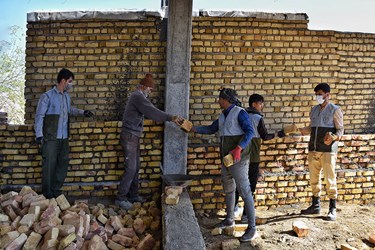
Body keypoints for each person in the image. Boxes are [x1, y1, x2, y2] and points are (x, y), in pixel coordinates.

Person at [190, 88, 258, 242]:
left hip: (238, 159)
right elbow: (210, 129)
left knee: (245, 190)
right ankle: (229, 219)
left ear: (226, 100)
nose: (218, 101)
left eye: (220, 99)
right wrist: (193, 128)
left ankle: (252, 227)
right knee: (229, 190)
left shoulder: (240, 113)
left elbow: (249, 132)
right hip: (226, 159)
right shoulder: (222, 116)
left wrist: (239, 148)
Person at [116, 73, 184, 210]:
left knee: (136, 167)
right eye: (150, 89)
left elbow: (150, 110)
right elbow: (151, 111)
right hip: (129, 135)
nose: (151, 92)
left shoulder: (139, 97)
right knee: (131, 168)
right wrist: (171, 117)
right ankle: (120, 198)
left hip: (133, 135)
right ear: (144, 87)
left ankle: (133, 195)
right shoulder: (137, 96)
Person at [34, 68, 94, 199]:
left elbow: (69, 110)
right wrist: (39, 135)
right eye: (70, 81)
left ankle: (56, 190)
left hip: (64, 137)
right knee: (49, 165)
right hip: (50, 138)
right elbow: (39, 117)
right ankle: (47, 194)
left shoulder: (67, 97)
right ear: (63, 81)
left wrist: (82, 112)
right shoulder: (47, 96)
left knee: (63, 163)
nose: (71, 84)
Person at [234, 94, 285, 223]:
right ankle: (246, 215)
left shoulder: (240, 115)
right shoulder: (257, 118)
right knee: (250, 186)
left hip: (238, 154)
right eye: (261, 103)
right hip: (253, 156)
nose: (262, 106)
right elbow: (265, 136)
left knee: (237, 184)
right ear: (254, 104)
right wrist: (280, 134)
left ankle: (233, 210)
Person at [300, 83, 344, 221]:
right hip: (313, 149)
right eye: (316, 94)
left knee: (330, 178)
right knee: (314, 178)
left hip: (327, 151)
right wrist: (300, 129)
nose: (318, 97)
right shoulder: (313, 110)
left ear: (327, 95)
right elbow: (312, 128)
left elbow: (340, 130)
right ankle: (315, 205)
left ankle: (332, 208)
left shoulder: (335, 110)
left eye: (320, 94)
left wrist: (334, 137)